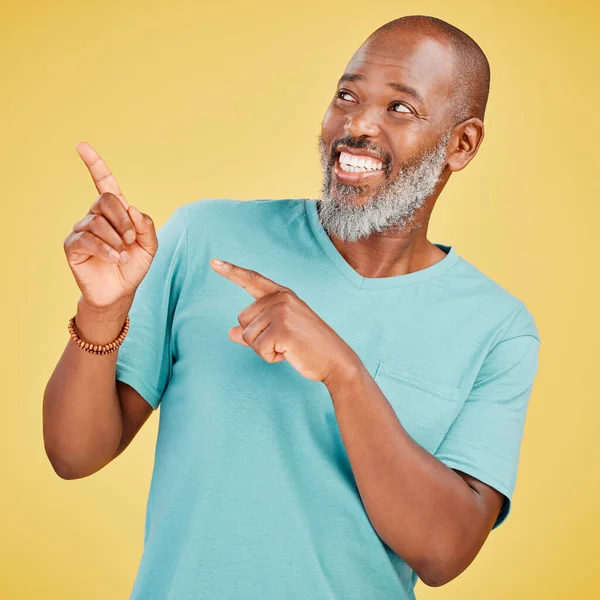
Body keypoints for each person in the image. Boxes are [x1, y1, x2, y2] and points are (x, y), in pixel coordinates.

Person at [43, 14, 540, 600]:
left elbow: (444, 552)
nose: (355, 124)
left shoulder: (497, 327)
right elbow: (73, 455)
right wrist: (101, 310)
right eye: (346, 96)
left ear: (462, 144)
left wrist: (343, 373)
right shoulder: (206, 236)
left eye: (399, 108)